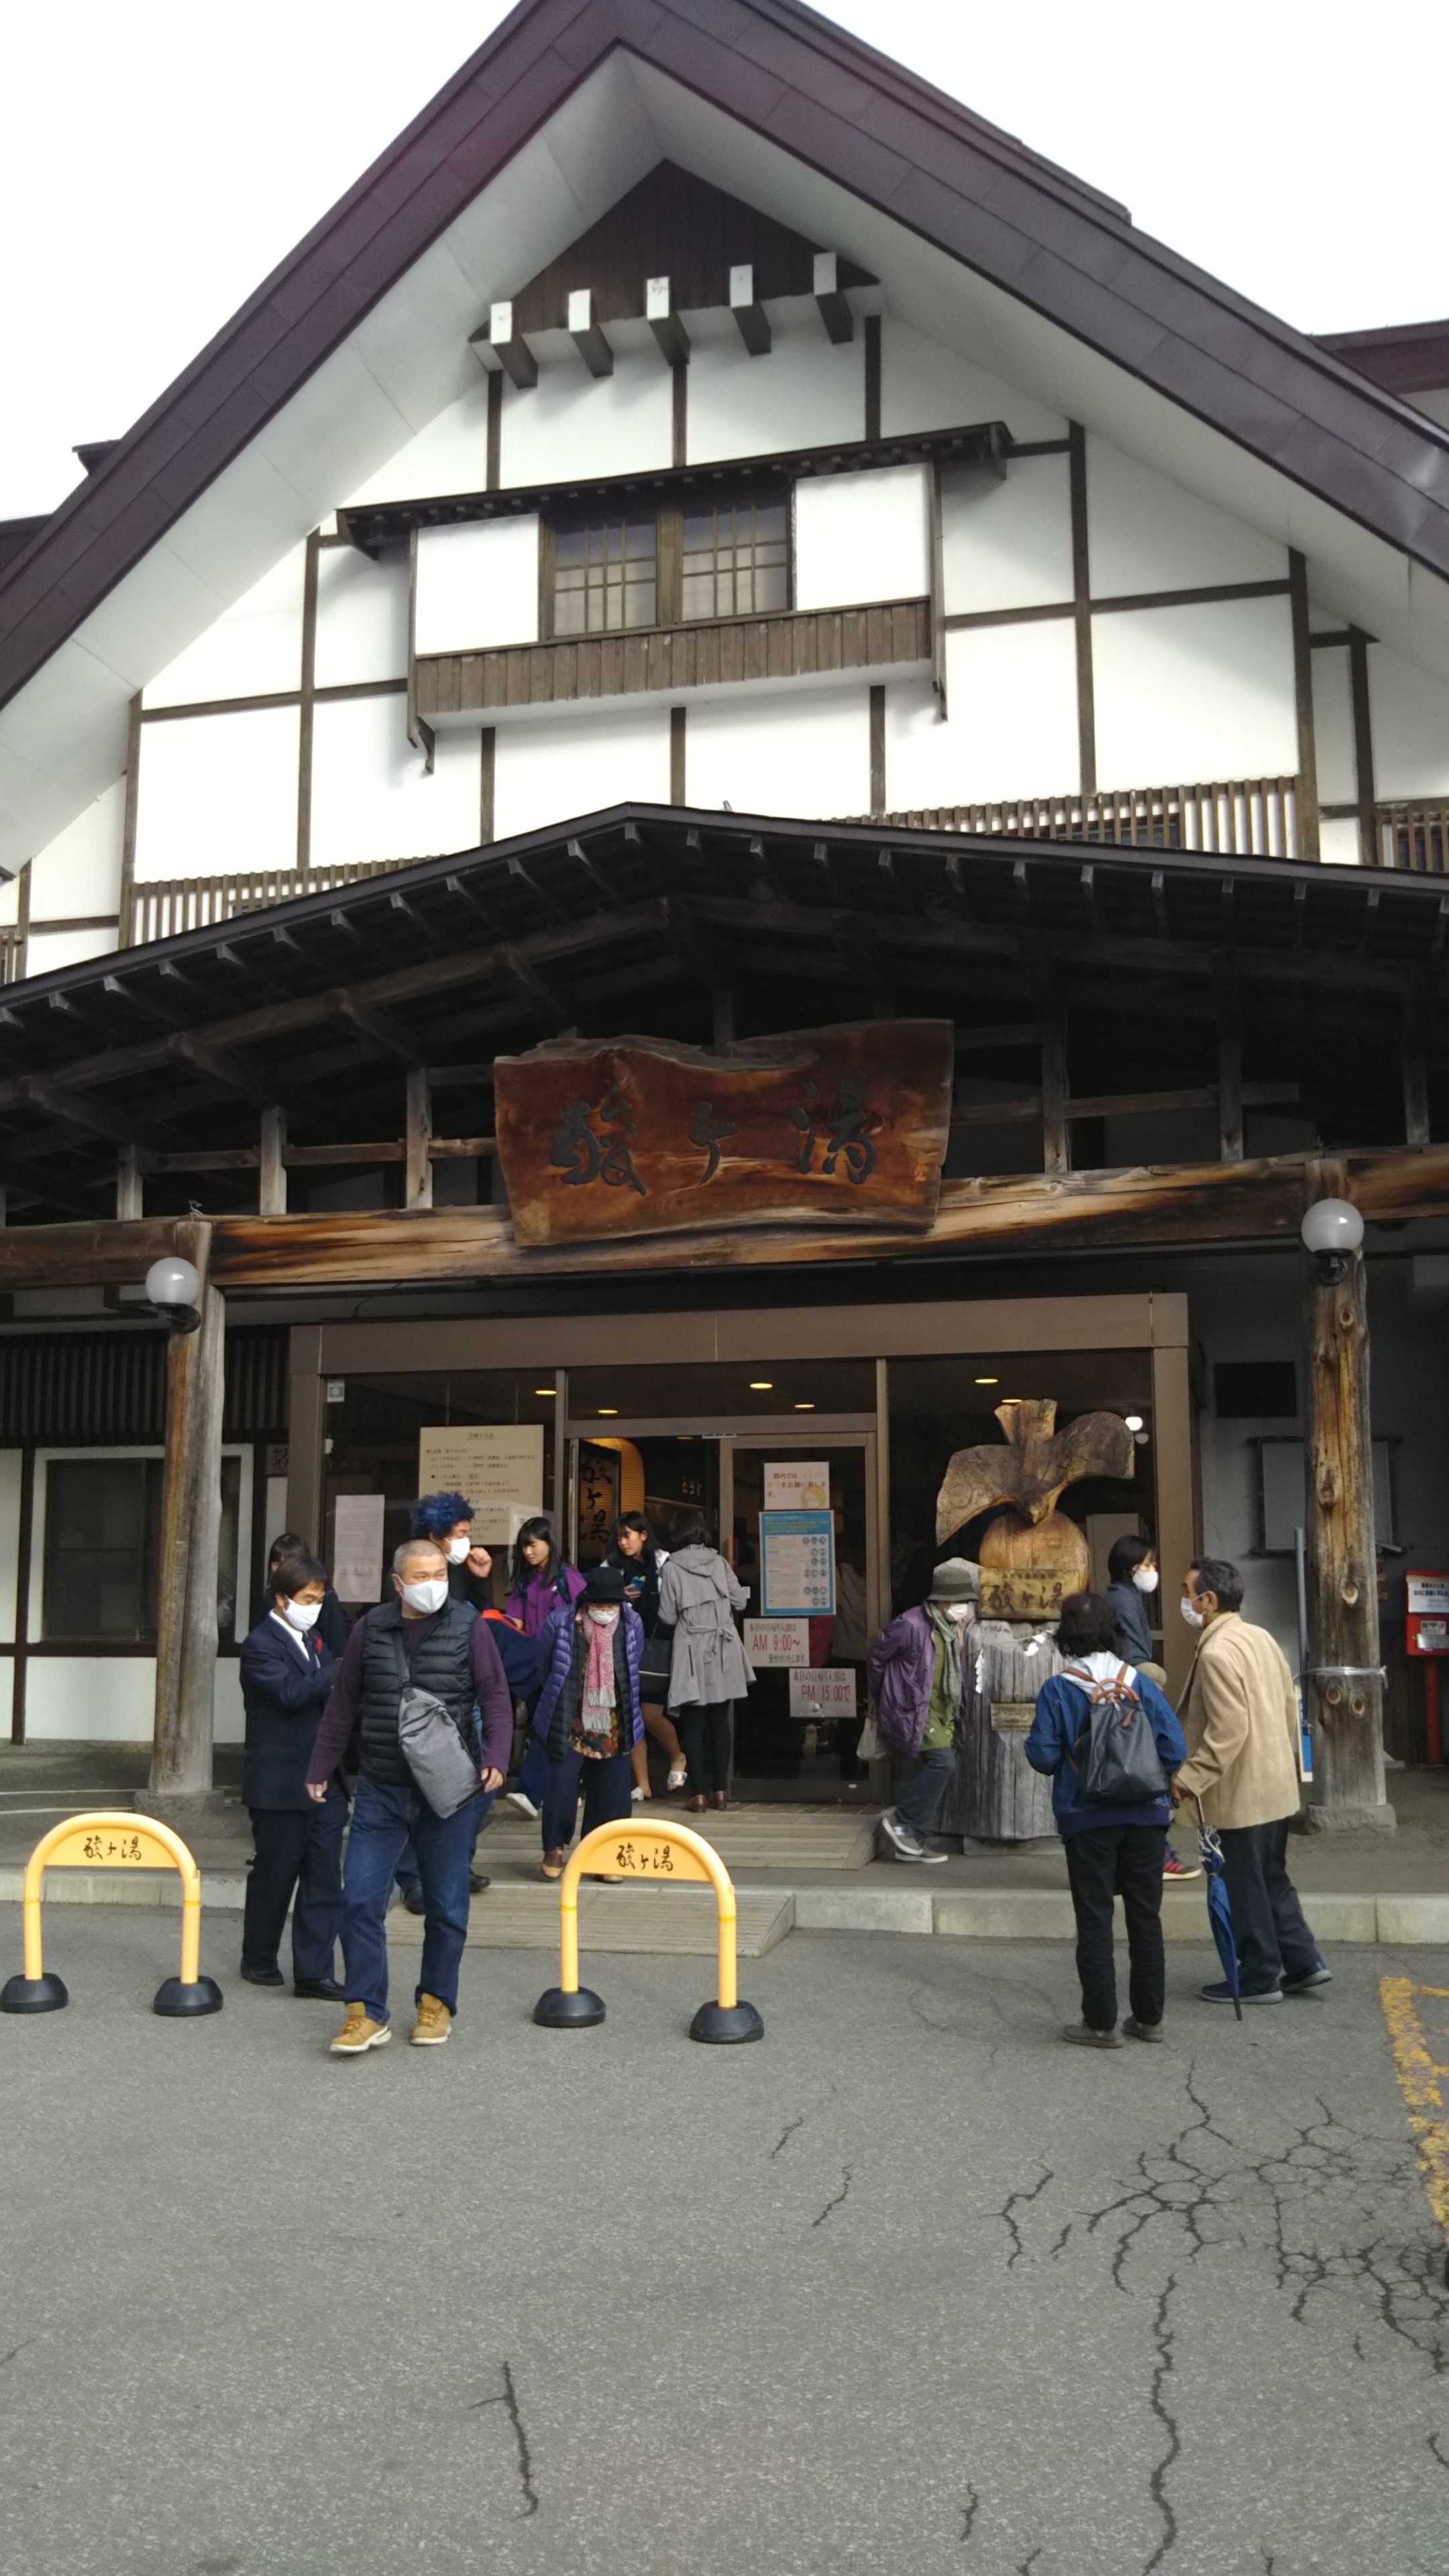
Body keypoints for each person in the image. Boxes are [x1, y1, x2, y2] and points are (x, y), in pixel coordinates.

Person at [305, 1535, 512, 2055]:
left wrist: (496, 1755)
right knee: (359, 1899)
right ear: (398, 1583)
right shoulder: (370, 1629)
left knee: (446, 1904)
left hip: (450, 1790)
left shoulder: (469, 1626)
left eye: (440, 1575)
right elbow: (343, 1702)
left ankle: (436, 2002)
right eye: (421, 1577)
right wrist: (322, 1766)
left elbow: (494, 1694)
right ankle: (365, 2011)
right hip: (382, 1786)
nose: (433, 1585)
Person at [1025, 1588, 1187, 2047]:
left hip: (1086, 1817)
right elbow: (1174, 1748)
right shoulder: (1140, 1683)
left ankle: (1100, 2023)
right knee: (1145, 1917)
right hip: (1146, 1817)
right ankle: (1149, 2019)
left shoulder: (1059, 1689)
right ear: (1114, 1632)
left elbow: (1042, 1756)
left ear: (1067, 1635)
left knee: (1095, 1918)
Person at [1173, 1556, 1328, 2005]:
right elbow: (1288, 1706)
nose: (1185, 1601)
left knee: (1243, 1883)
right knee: (1271, 1877)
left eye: (1187, 1593)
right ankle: (1303, 1961)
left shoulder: (1216, 1651)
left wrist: (1191, 1777)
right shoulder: (1260, 1637)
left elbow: (1228, 1730)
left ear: (1208, 1600)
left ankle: (1260, 1975)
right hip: (1274, 1781)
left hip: (1240, 1789)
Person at [391, 1490, 532, 1911]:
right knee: (426, 1789)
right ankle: (415, 1877)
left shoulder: (460, 1570)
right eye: (460, 1533)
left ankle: (455, 1861)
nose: (467, 1541)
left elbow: (476, 1620)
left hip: (466, 1690)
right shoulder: (413, 1575)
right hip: (429, 1698)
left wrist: (481, 1577)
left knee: (477, 1785)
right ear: (437, 1534)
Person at [237, 1546, 347, 1998]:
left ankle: (314, 1972)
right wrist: (336, 1671)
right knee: (276, 1874)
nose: (314, 1608)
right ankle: (258, 1958)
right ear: (282, 1598)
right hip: (280, 1782)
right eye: (307, 1599)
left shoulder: (315, 1641)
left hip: (326, 1778)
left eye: (319, 1599)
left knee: (324, 1878)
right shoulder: (260, 1645)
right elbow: (289, 1693)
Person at [531, 1562, 644, 1880]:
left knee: (613, 1789)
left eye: (611, 1605)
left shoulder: (632, 1623)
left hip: (614, 1719)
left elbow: (633, 1663)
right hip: (570, 1716)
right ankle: (554, 1847)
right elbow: (545, 1667)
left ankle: (606, 1855)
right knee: (562, 1784)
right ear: (586, 1601)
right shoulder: (561, 1622)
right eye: (599, 1605)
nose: (605, 1611)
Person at [867, 1558, 979, 1864]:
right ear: (943, 1600)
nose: (965, 1608)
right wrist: (887, 1696)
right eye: (960, 1601)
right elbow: (877, 1658)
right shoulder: (911, 1624)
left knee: (940, 1764)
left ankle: (912, 1841)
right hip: (917, 1708)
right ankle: (901, 1820)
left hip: (944, 1709)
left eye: (968, 1602)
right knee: (942, 1763)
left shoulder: (953, 1628)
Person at [1106, 1534, 1200, 1884]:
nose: (1152, 1571)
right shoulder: (1122, 1600)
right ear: (1129, 1567)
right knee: (1151, 1770)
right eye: (1148, 1564)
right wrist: (1148, 1675)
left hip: (1123, 1697)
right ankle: (1158, 1856)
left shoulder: (1122, 1596)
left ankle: (1137, 1859)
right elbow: (1132, 1655)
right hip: (1134, 1695)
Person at [657, 1507, 752, 1812]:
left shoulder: (671, 1568)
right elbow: (740, 1600)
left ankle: (698, 1793)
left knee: (693, 1721)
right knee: (720, 1719)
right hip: (723, 1646)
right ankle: (721, 1791)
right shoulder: (719, 1562)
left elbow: (668, 1616)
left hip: (691, 1647)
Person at [504, 1516, 586, 1820]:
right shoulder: (524, 1581)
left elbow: (587, 1616)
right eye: (524, 1547)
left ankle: (530, 1791)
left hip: (565, 1664)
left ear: (549, 1544)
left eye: (533, 1545)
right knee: (554, 1729)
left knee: (546, 1725)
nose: (528, 1552)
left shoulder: (567, 1577)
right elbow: (515, 1622)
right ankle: (567, 1790)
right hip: (535, 1665)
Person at [607, 1511, 685, 1798]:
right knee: (632, 1716)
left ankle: (678, 1757)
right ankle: (643, 1784)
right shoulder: (613, 1566)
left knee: (650, 1714)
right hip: (624, 1646)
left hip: (659, 1646)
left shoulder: (666, 1562)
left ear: (643, 1535)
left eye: (627, 1536)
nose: (623, 1543)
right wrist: (618, 1594)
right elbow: (597, 1597)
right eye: (619, 1537)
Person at [267, 1532, 351, 1658]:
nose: (281, 1569)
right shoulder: (270, 1596)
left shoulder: (325, 1597)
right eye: (276, 1564)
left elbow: (336, 1647)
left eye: (287, 1563)